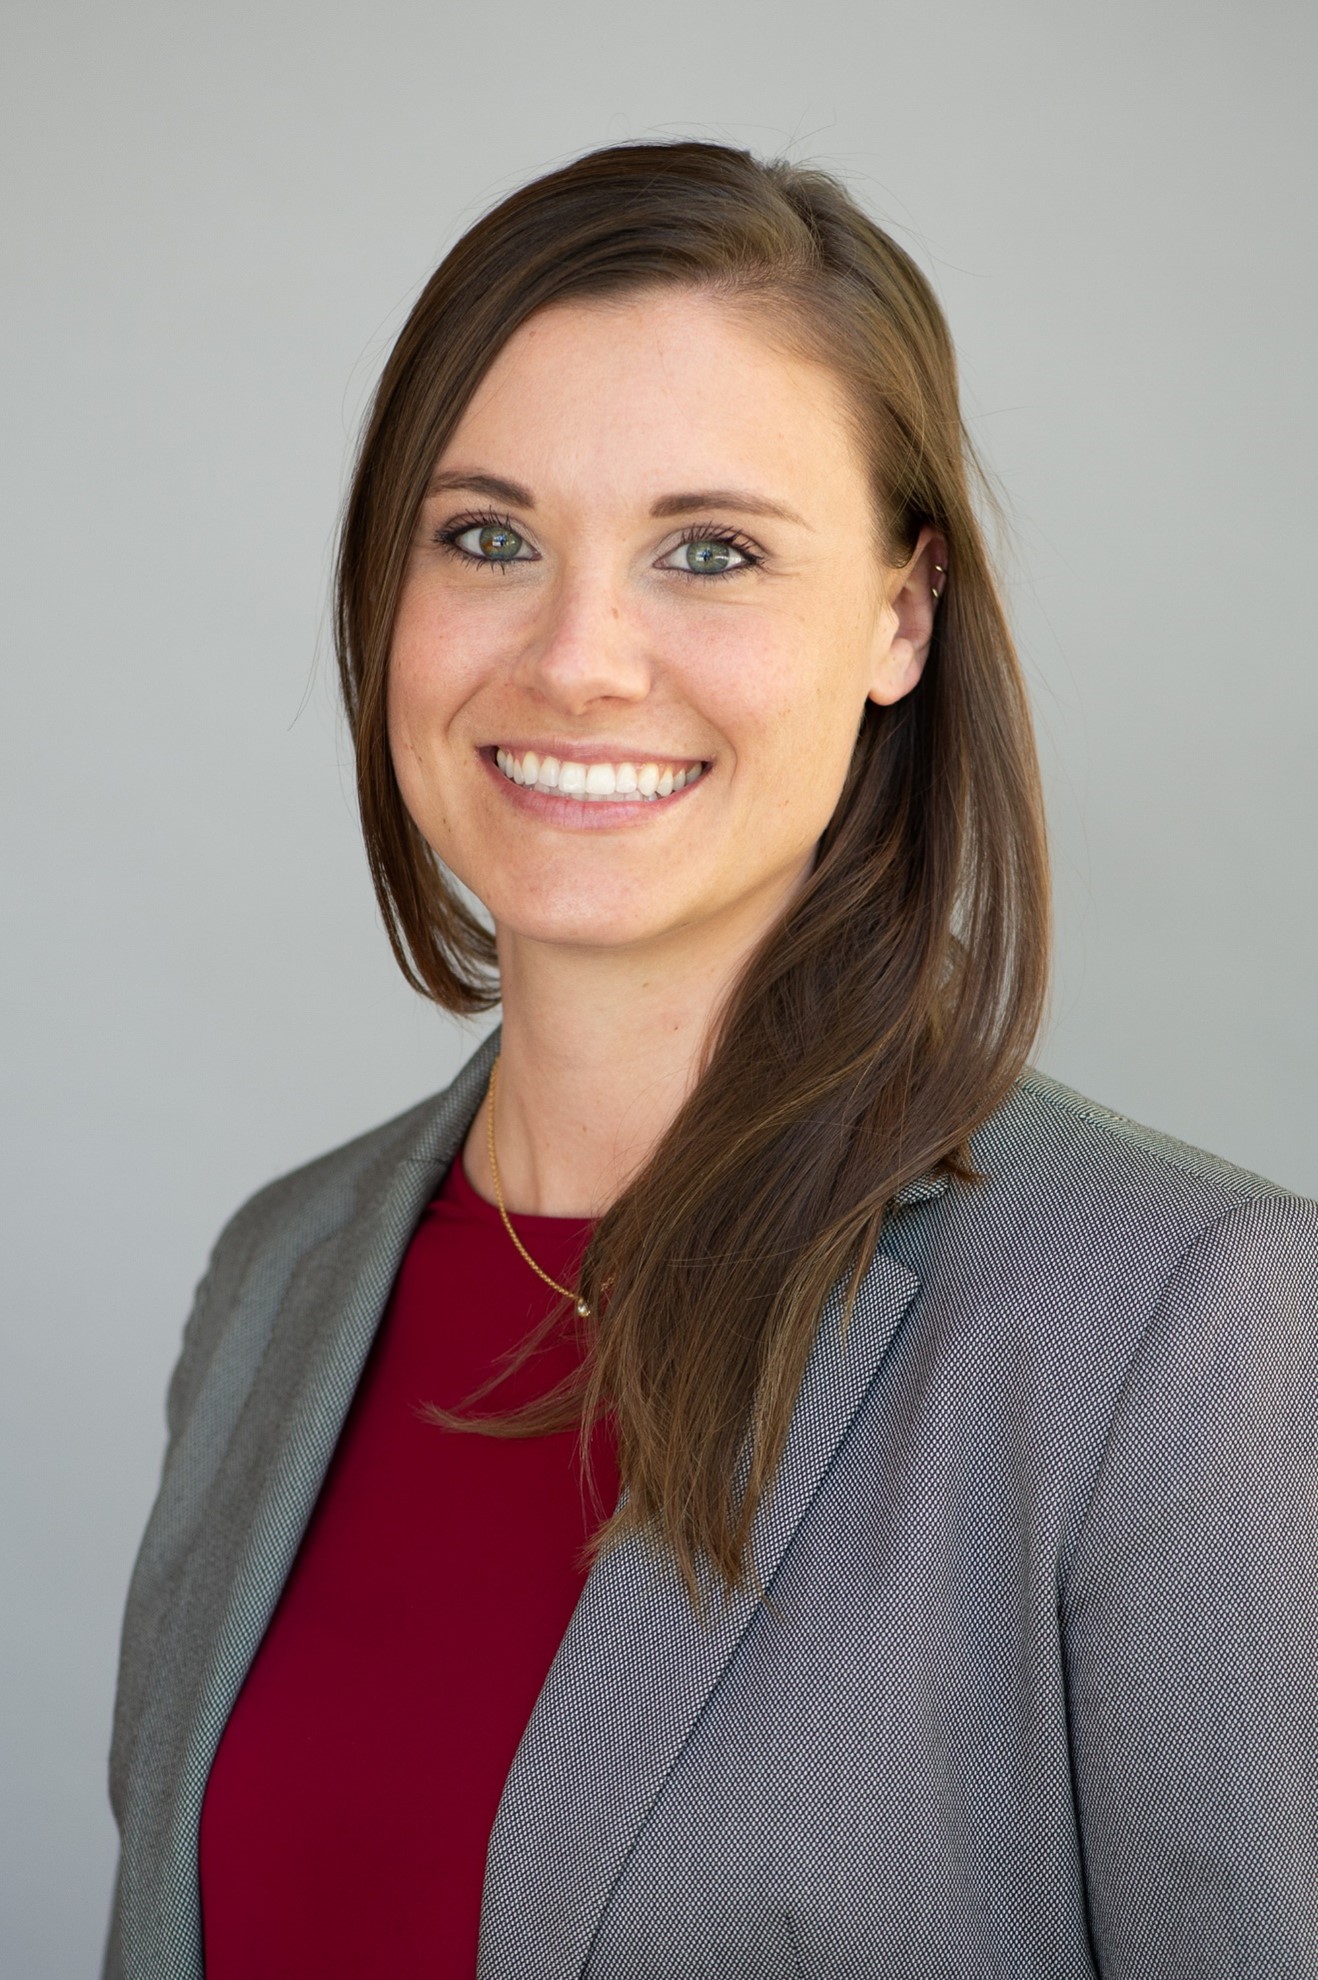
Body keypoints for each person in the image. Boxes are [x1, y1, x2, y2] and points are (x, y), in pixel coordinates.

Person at [103, 140, 1318, 1980]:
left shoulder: (1175, 1333)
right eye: (488, 537)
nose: (581, 658)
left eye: (711, 550)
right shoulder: (277, 1282)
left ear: (900, 619)